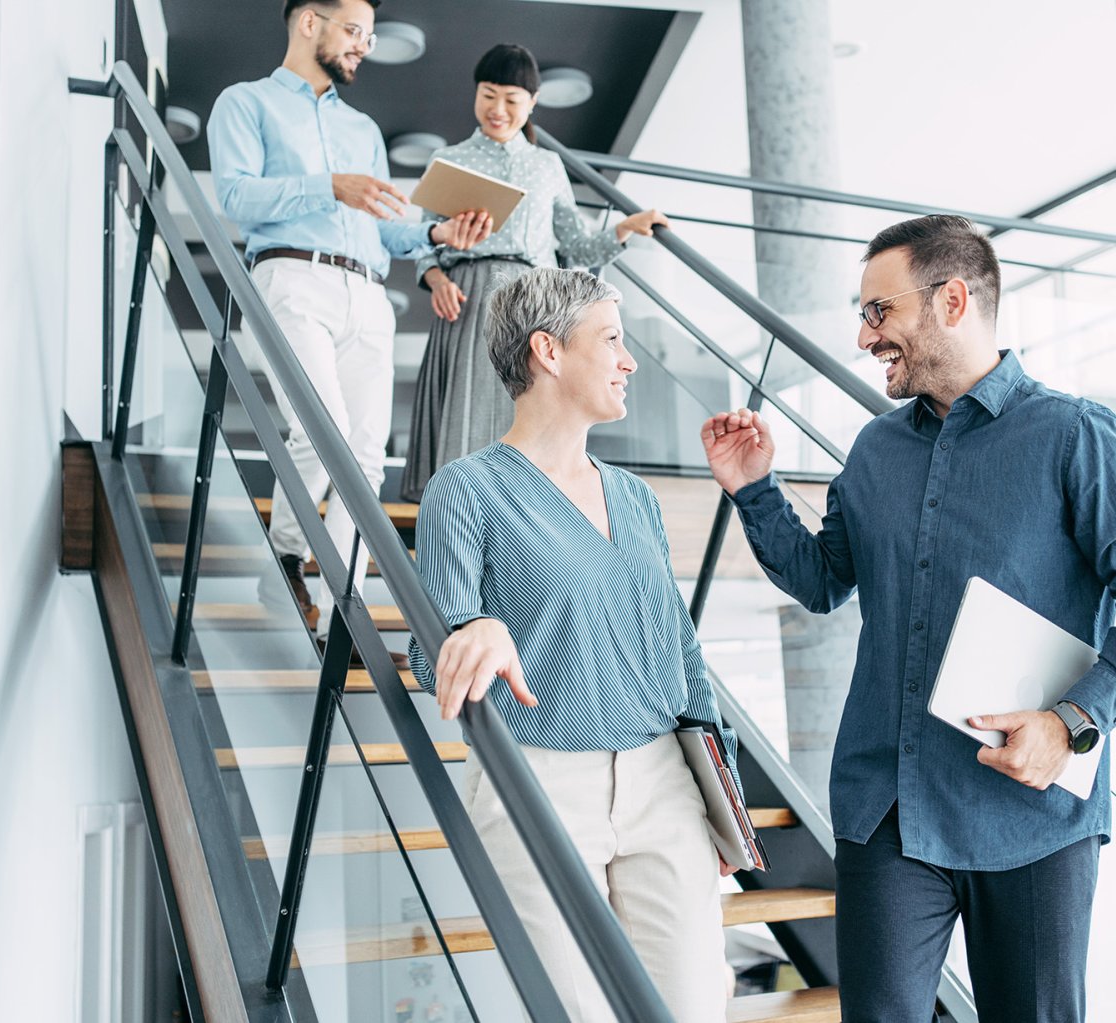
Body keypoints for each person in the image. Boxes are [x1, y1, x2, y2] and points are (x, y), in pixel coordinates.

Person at [701, 215, 1116, 1022]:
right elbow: (826, 581)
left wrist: (1074, 720)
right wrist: (753, 489)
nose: (866, 336)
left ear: (954, 299)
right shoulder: (872, 451)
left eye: (879, 312)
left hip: (1031, 813)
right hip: (887, 808)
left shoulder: (1076, 437)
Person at [409, 268, 735, 1022]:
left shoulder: (637, 496)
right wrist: (475, 629)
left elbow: (682, 652)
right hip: (539, 782)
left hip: (665, 782)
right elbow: (436, 658)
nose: (629, 361)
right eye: (613, 340)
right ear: (547, 351)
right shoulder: (463, 490)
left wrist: (723, 799)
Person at [206, 0, 490, 652]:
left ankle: (345, 615)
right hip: (292, 277)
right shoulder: (245, 103)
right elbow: (237, 197)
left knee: (363, 456)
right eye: (354, 31)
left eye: (367, 35)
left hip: (368, 293)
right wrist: (328, 186)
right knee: (319, 428)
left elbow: (387, 226)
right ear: (311, 22)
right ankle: (284, 557)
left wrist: (437, 232)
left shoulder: (362, 129)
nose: (363, 46)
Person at [398, 43, 669, 502]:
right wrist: (436, 279)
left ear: (532, 103)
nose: (497, 109)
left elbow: (577, 246)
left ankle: (529, 522)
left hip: (538, 303)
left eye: (511, 99)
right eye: (488, 95)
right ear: (475, 93)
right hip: (469, 296)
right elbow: (422, 239)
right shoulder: (450, 158)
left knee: (532, 406)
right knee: (472, 414)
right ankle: (462, 518)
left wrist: (623, 229)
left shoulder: (547, 166)